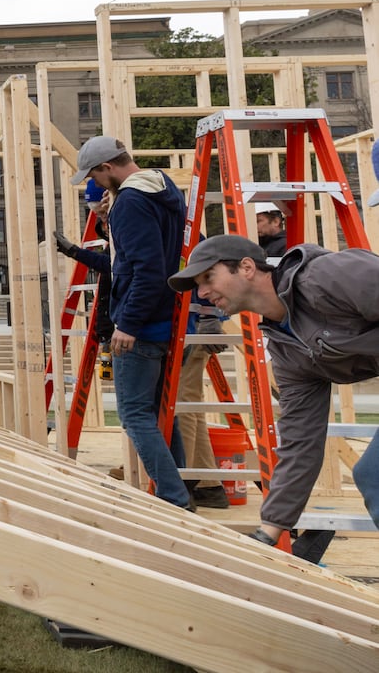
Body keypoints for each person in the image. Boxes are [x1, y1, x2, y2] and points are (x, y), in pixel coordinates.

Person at [169, 233, 379, 545]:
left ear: (246, 268)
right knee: (374, 477)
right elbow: (300, 442)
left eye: (209, 277)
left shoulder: (329, 276)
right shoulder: (286, 349)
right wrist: (268, 532)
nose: (202, 292)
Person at [72, 135, 191, 511]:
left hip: (141, 325)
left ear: (108, 167)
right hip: (165, 318)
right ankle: (182, 488)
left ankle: (174, 497)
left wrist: (128, 323)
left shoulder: (132, 204)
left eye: (95, 174)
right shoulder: (162, 187)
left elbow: (146, 269)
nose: (96, 182)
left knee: (135, 415)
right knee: (158, 412)